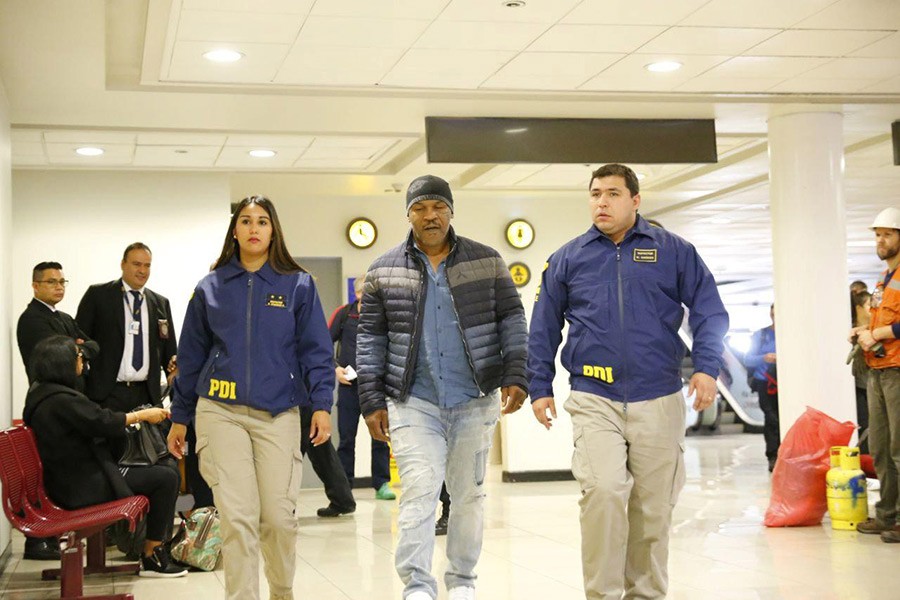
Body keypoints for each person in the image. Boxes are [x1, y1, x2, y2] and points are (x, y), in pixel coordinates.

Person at [527, 163, 728, 600]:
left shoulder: (674, 251)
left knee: (653, 510)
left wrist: (706, 366)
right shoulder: (568, 257)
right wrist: (539, 385)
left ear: (636, 201)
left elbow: (710, 312)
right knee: (602, 493)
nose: (602, 201)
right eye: (596, 193)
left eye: (613, 194)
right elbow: (543, 326)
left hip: (657, 395)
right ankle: (603, 594)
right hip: (593, 395)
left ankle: (647, 594)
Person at [357, 174, 529, 600]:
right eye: (420, 207)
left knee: (468, 495)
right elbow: (371, 339)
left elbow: (512, 317)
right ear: (408, 214)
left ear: (451, 211)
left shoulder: (486, 261)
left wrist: (516, 372)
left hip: (474, 398)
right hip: (413, 401)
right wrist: (370, 399)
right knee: (419, 490)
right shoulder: (383, 269)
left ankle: (462, 581)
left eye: (438, 206)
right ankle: (417, 585)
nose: (430, 215)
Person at [167, 195, 335, 600]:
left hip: (278, 413)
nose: (254, 228)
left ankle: (281, 592)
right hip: (219, 412)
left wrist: (323, 405)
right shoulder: (210, 287)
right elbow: (190, 356)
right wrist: (180, 414)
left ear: (273, 229)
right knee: (238, 519)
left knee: (277, 518)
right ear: (235, 230)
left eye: (262, 221)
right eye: (245, 221)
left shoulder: (298, 284)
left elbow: (316, 350)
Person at [22, 336, 186, 577]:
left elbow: (97, 420)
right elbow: (103, 422)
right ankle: (152, 555)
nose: (83, 362)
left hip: (69, 480)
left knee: (166, 472)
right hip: (80, 486)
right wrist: (143, 416)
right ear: (62, 363)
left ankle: (153, 549)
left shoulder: (43, 395)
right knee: (166, 477)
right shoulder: (60, 400)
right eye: (79, 357)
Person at [16, 261, 100, 561]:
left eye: (62, 281)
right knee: (48, 471)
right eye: (52, 282)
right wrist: (74, 347)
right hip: (50, 406)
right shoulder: (31, 319)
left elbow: (92, 346)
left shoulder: (63, 317)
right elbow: (57, 357)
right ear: (36, 285)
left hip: (68, 401)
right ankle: (38, 541)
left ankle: (55, 536)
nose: (59, 286)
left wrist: (79, 347)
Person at [76, 243, 178, 413]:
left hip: (146, 394)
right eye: (136, 264)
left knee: (147, 440)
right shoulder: (98, 295)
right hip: (107, 393)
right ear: (123, 264)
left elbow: (169, 347)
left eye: (147, 265)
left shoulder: (160, 303)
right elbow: (80, 338)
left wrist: (173, 368)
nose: (142, 271)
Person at [851, 207, 900, 542]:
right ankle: (887, 515)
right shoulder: (884, 280)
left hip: (897, 371)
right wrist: (861, 331)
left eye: (888, 234)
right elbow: (880, 320)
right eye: (877, 235)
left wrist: (879, 335)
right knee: (881, 448)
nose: (881, 240)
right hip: (877, 371)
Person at [329, 274, 395, 503]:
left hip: (376, 388)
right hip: (349, 388)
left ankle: (382, 483)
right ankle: (344, 487)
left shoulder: (384, 316)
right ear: (356, 295)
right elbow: (323, 344)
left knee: (380, 436)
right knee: (346, 439)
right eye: (363, 295)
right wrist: (335, 369)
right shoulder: (344, 314)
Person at [300, 406, 357, 518]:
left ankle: (282, 507)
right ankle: (343, 501)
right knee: (322, 452)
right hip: (310, 402)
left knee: (292, 457)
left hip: (299, 404)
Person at [744, 304, 779, 472]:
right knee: (771, 418)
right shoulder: (762, 335)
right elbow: (748, 359)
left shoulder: (794, 333)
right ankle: (773, 455)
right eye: (773, 314)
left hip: (788, 383)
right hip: (766, 382)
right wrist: (764, 358)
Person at [851, 290, 872, 455]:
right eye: (868, 305)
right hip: (859, 387)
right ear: (858, 308)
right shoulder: (852, 332)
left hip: (877, 383)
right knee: (864, 425)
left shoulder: (875, 330)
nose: (871, 309)